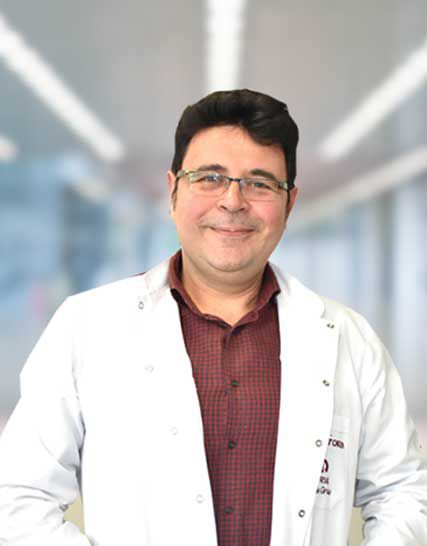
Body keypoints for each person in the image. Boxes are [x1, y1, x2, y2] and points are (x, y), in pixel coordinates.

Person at [0, 89, 426, 546]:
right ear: (173, 191)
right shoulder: (88, 326)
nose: (232, 201)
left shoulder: (348, 339)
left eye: (260, 183)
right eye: (209, 178)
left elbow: (402, 492)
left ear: (289, 204)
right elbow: (20, 497)